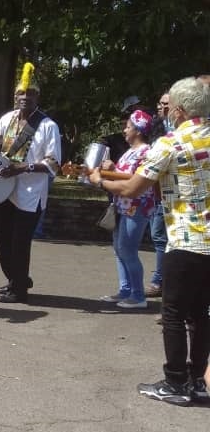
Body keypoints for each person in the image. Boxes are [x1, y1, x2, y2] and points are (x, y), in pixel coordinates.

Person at [87, 77, 210, 406]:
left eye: (169, 109)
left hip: (185, 241)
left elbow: (132, 188)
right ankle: (197, 381)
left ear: (179, 110)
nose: (165, 114)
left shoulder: (170, 143)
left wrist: (99, 181)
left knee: (174, 314)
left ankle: (175, 382)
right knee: (201, 314)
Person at [0, 63, 61, 304]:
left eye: (30, 93)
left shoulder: (48, 126)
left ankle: (19, 289)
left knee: (20, 242)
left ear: (37, 97)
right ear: (15, 97)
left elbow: (53, 164)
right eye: (21, 93)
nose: (25, 97)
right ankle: (17, 278)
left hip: (30, 193)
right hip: (6, 189)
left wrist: (23, 167)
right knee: (0, 236)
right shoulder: (8, 119)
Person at [96, 110, 157, 309]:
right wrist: (110, 171)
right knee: (119, 249)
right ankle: (125, 290)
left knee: (128, 250)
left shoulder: (146, 152)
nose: (124, 130)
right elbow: (123, 175)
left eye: (128, 127)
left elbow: (137, 179)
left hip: (137, 207)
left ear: (138, 130)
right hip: (122, 205)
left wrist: (113, 171)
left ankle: (138, 296)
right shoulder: (130, 151)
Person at [145, 90, 173, 299]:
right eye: (160, 103)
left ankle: (160, 281)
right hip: (156, 191)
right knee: (158, 236)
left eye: (166, 104)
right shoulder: (158, 127)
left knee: (161, 237)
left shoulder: (178, 132)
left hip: (170, 193)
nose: (161, 107)